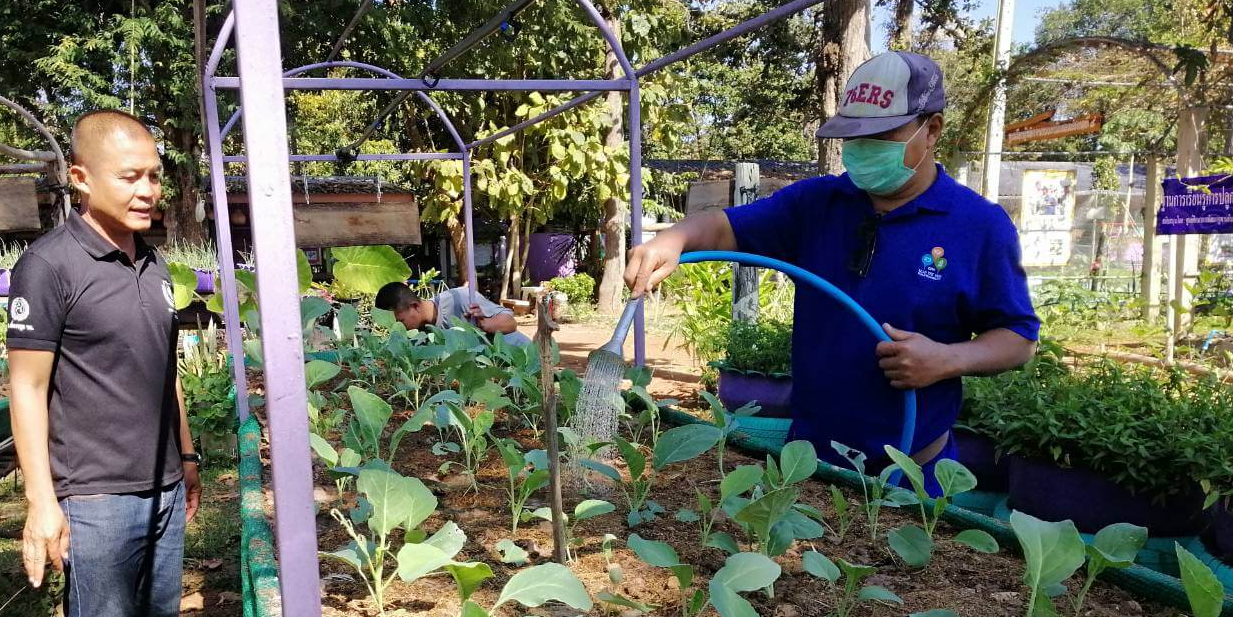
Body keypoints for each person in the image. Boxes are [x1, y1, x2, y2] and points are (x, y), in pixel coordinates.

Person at [625, 50, 1038, 474]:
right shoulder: (817, 204)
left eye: (881, 136)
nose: (862, 150)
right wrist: (673, 239)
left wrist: (946, 360)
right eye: (854, 138)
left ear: (931, 130)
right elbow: (721, 228)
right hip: (808, 465)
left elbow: (1019, 338)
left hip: (912, 472)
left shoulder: (978, 226)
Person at [6, 110, 208, 617]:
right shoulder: (49, 266)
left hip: (158, 485)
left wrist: (185, 458)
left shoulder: (151, 264)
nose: (148, 189)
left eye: (154, 175)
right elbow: (26, 389)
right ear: (81, 177)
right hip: (93, 492)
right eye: (131, 177)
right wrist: (41, 503)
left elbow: (166, 375)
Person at [375, 280, 531, 347]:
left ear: (415, 306)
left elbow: (511, 323)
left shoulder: (461, 298)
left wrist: (489, 324)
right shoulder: (420, 335)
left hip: (525, 358)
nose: (399, 327)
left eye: (400, 321)